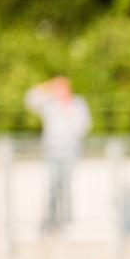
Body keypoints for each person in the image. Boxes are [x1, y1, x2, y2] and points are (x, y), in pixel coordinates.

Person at [25, 77, 91, 233]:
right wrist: (48, 86)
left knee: (66, 187)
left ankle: (66, 223)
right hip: (51, 152)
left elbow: (83, 126)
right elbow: (30, 99)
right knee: (52, 187)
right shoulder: (50, 103)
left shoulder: (77, 104)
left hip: (70, 152)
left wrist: (67, 110)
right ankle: (50, 221)